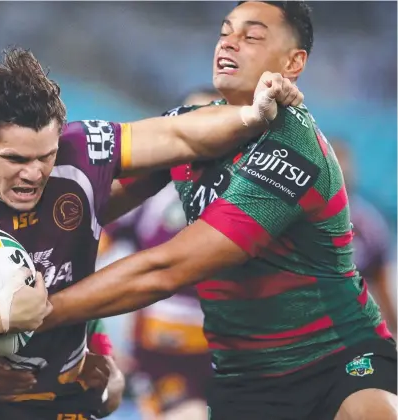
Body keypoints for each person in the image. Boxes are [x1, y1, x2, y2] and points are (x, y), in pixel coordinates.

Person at [0, 47, 301, 420]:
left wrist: (250, 115)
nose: (33, 173)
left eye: (45, 156)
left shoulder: (84, 149)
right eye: (16, 159)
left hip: (64, 389)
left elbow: (175, 133)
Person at [41, 2, 398, 420]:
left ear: (294, 61)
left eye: (251, 36)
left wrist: (38, 314)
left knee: (374, 412)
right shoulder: (189, 127)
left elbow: (166, 270)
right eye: (225, 31)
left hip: (337, 357)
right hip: (245, 377)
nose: (228, 42)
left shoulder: (293, 148)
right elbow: (89, 204)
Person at [100, 88, 222, 420]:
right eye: (190, 117)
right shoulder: (147, 188)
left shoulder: (257, 195)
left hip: (236, 350)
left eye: (212, 118)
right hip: (165, 353)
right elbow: (79, 259)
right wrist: (93, 342)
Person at [332, 139, 396, 337]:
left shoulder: (369, 223)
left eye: (346, 165)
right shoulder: (303, 219)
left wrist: (393, 328)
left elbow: (381, 278)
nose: (343, 172)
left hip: (357, 328)